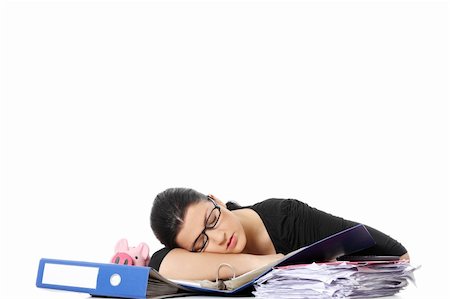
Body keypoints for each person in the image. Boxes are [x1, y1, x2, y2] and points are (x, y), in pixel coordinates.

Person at [149, 187, 409, 280]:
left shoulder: (287, 217)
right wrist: (263, 263)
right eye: (200, 243)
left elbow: (395, 252)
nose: (217, 238)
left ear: (216, 199)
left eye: (212, 219)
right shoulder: (192, 260)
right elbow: (160, 263)